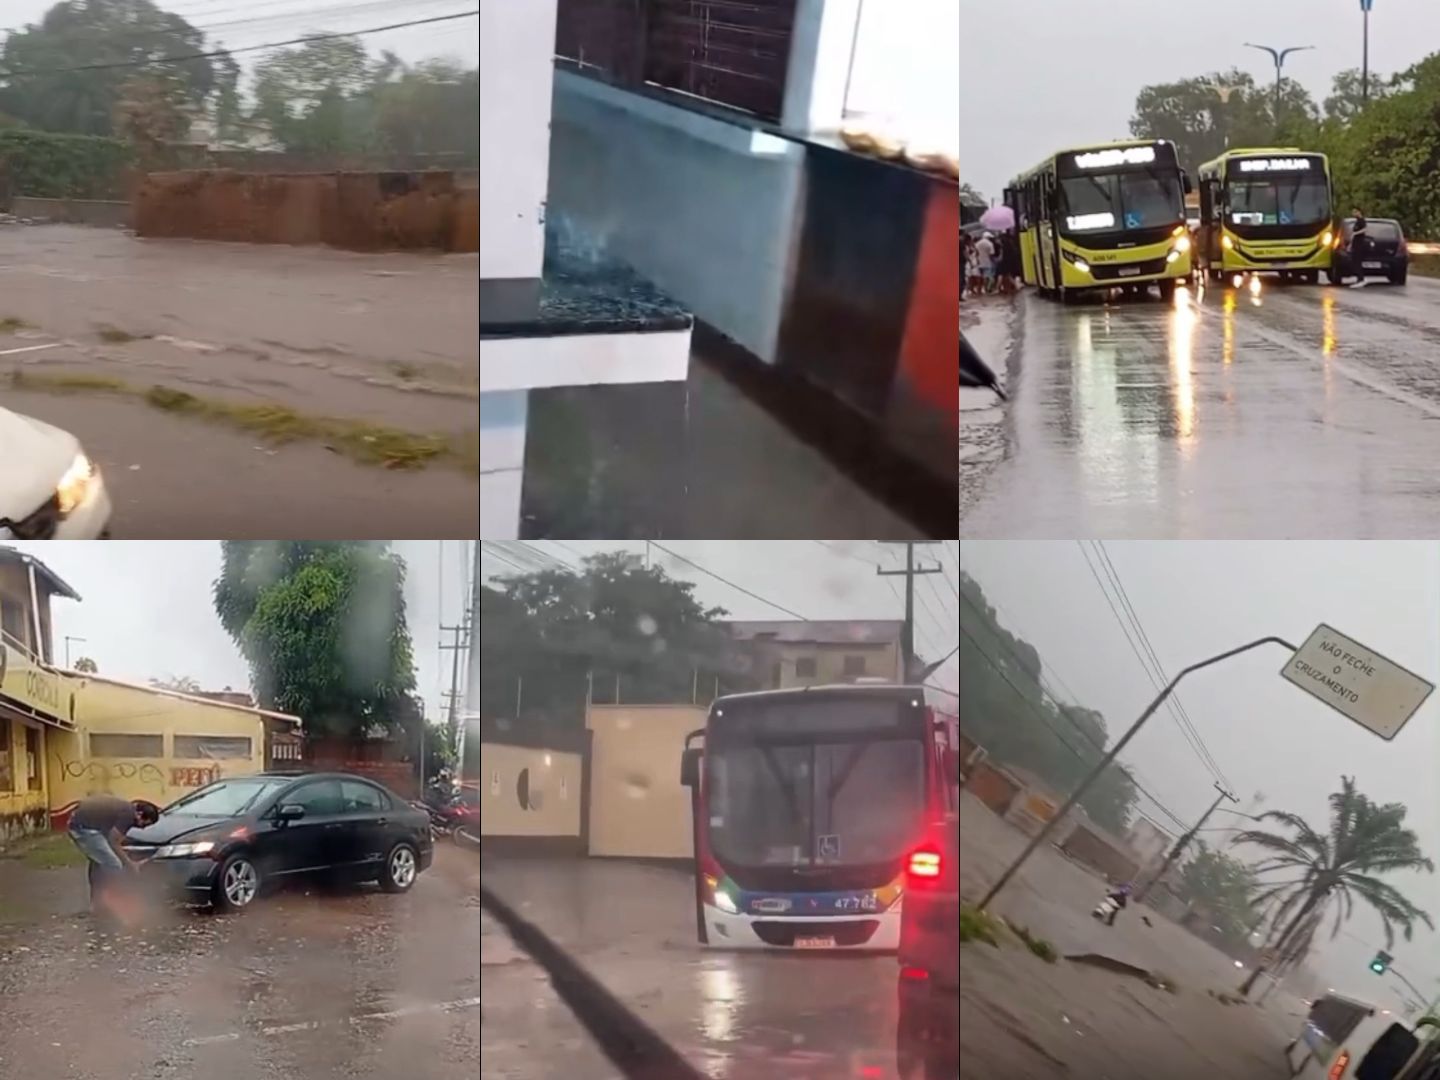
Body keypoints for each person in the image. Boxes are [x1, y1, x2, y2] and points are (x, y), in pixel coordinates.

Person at [68, 793, 158, 919]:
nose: (142, 828)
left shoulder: (126, 808)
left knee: (99, 864)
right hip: (84, 829)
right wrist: (131, 864)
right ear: (140, 814)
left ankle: (96, 906)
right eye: (144, 824)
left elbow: (114, 840)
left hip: (82, 823)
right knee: (113, 866)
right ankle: (116, 905)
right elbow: (114, 841)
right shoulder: (129, 815)